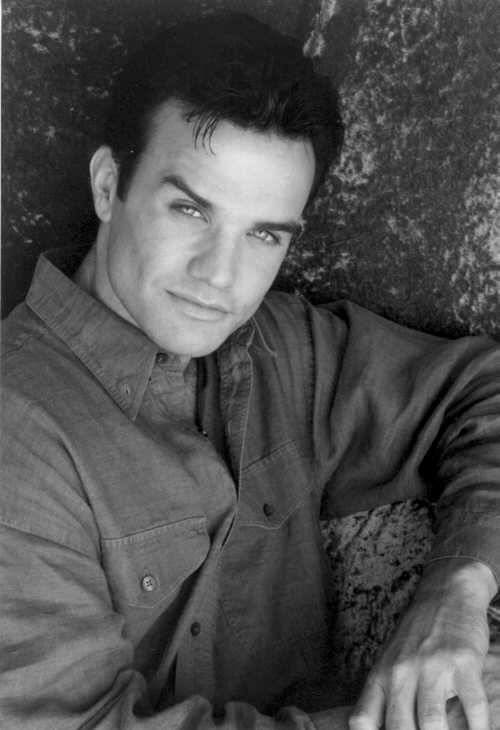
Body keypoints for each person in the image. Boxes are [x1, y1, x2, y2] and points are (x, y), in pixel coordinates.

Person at [1, 10, 499, 730]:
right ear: (109, 186)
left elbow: (484, 390)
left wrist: (457, 591)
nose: (220, 276)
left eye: (264, 234)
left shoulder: (282, 348)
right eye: (190, 210)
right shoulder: (18, 437)